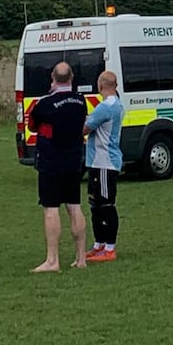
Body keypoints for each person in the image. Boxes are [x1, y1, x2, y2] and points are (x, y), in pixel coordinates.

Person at [27, 61, 88, 272]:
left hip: (51, 162)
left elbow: (32, 125)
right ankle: (81, 258)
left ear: (52, 78)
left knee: (51, 209)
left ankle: (53, 260)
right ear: (71, 78)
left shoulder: (45, 104)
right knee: (74, 206)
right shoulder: (81, 101)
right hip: (73, 161)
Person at [84, 70, 124, 263]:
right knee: (95, 205)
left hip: (105, 162)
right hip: (97, 162)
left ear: (100, 86)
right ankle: (99, 244)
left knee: (106, 205)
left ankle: (109, 247)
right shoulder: (115, 103)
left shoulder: (106, 106)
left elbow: (86, 127)